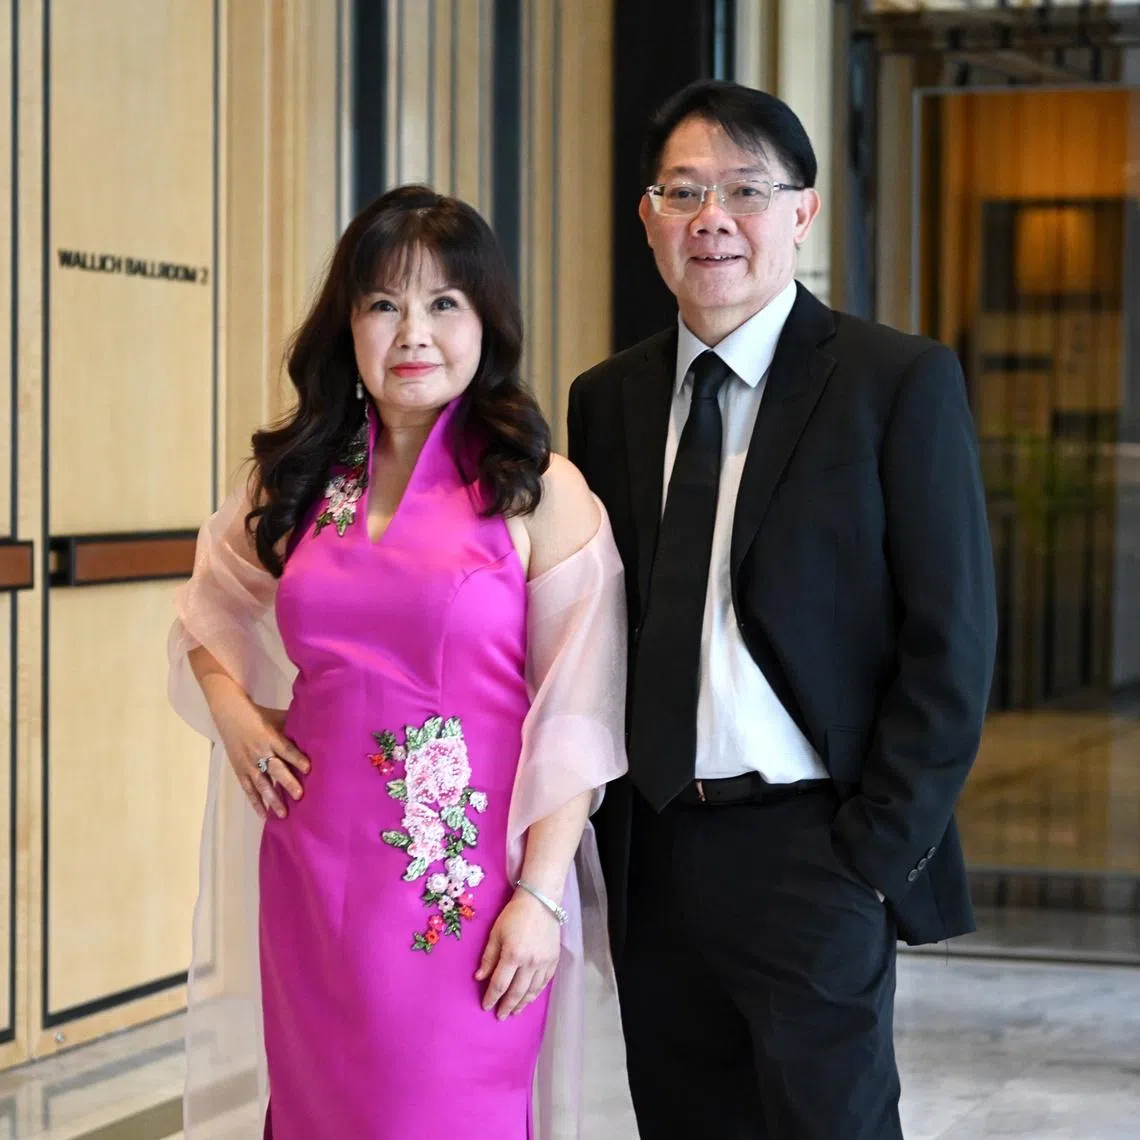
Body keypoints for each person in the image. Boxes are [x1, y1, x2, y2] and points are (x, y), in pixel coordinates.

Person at [567, 80, 998, 1140]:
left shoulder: (894, 381)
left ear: (801, 212)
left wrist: (871, 854)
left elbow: (953, 642)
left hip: (815, 848)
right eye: (685, 192)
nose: (713, 218)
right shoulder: (606, 400)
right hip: (655, 851)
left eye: (746, 190)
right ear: (649, 218)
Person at [168, 184, 629, 1140]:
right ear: (349, 326)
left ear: (484, 322)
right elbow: (206, 609)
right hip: (312, 874)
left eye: (442, 304)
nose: (412, 332)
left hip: (461, 893)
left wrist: (540, 897)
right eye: (384, 304)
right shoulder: (296, 476)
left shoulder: (538, 490)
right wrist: (238, 713)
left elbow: (578, 714)